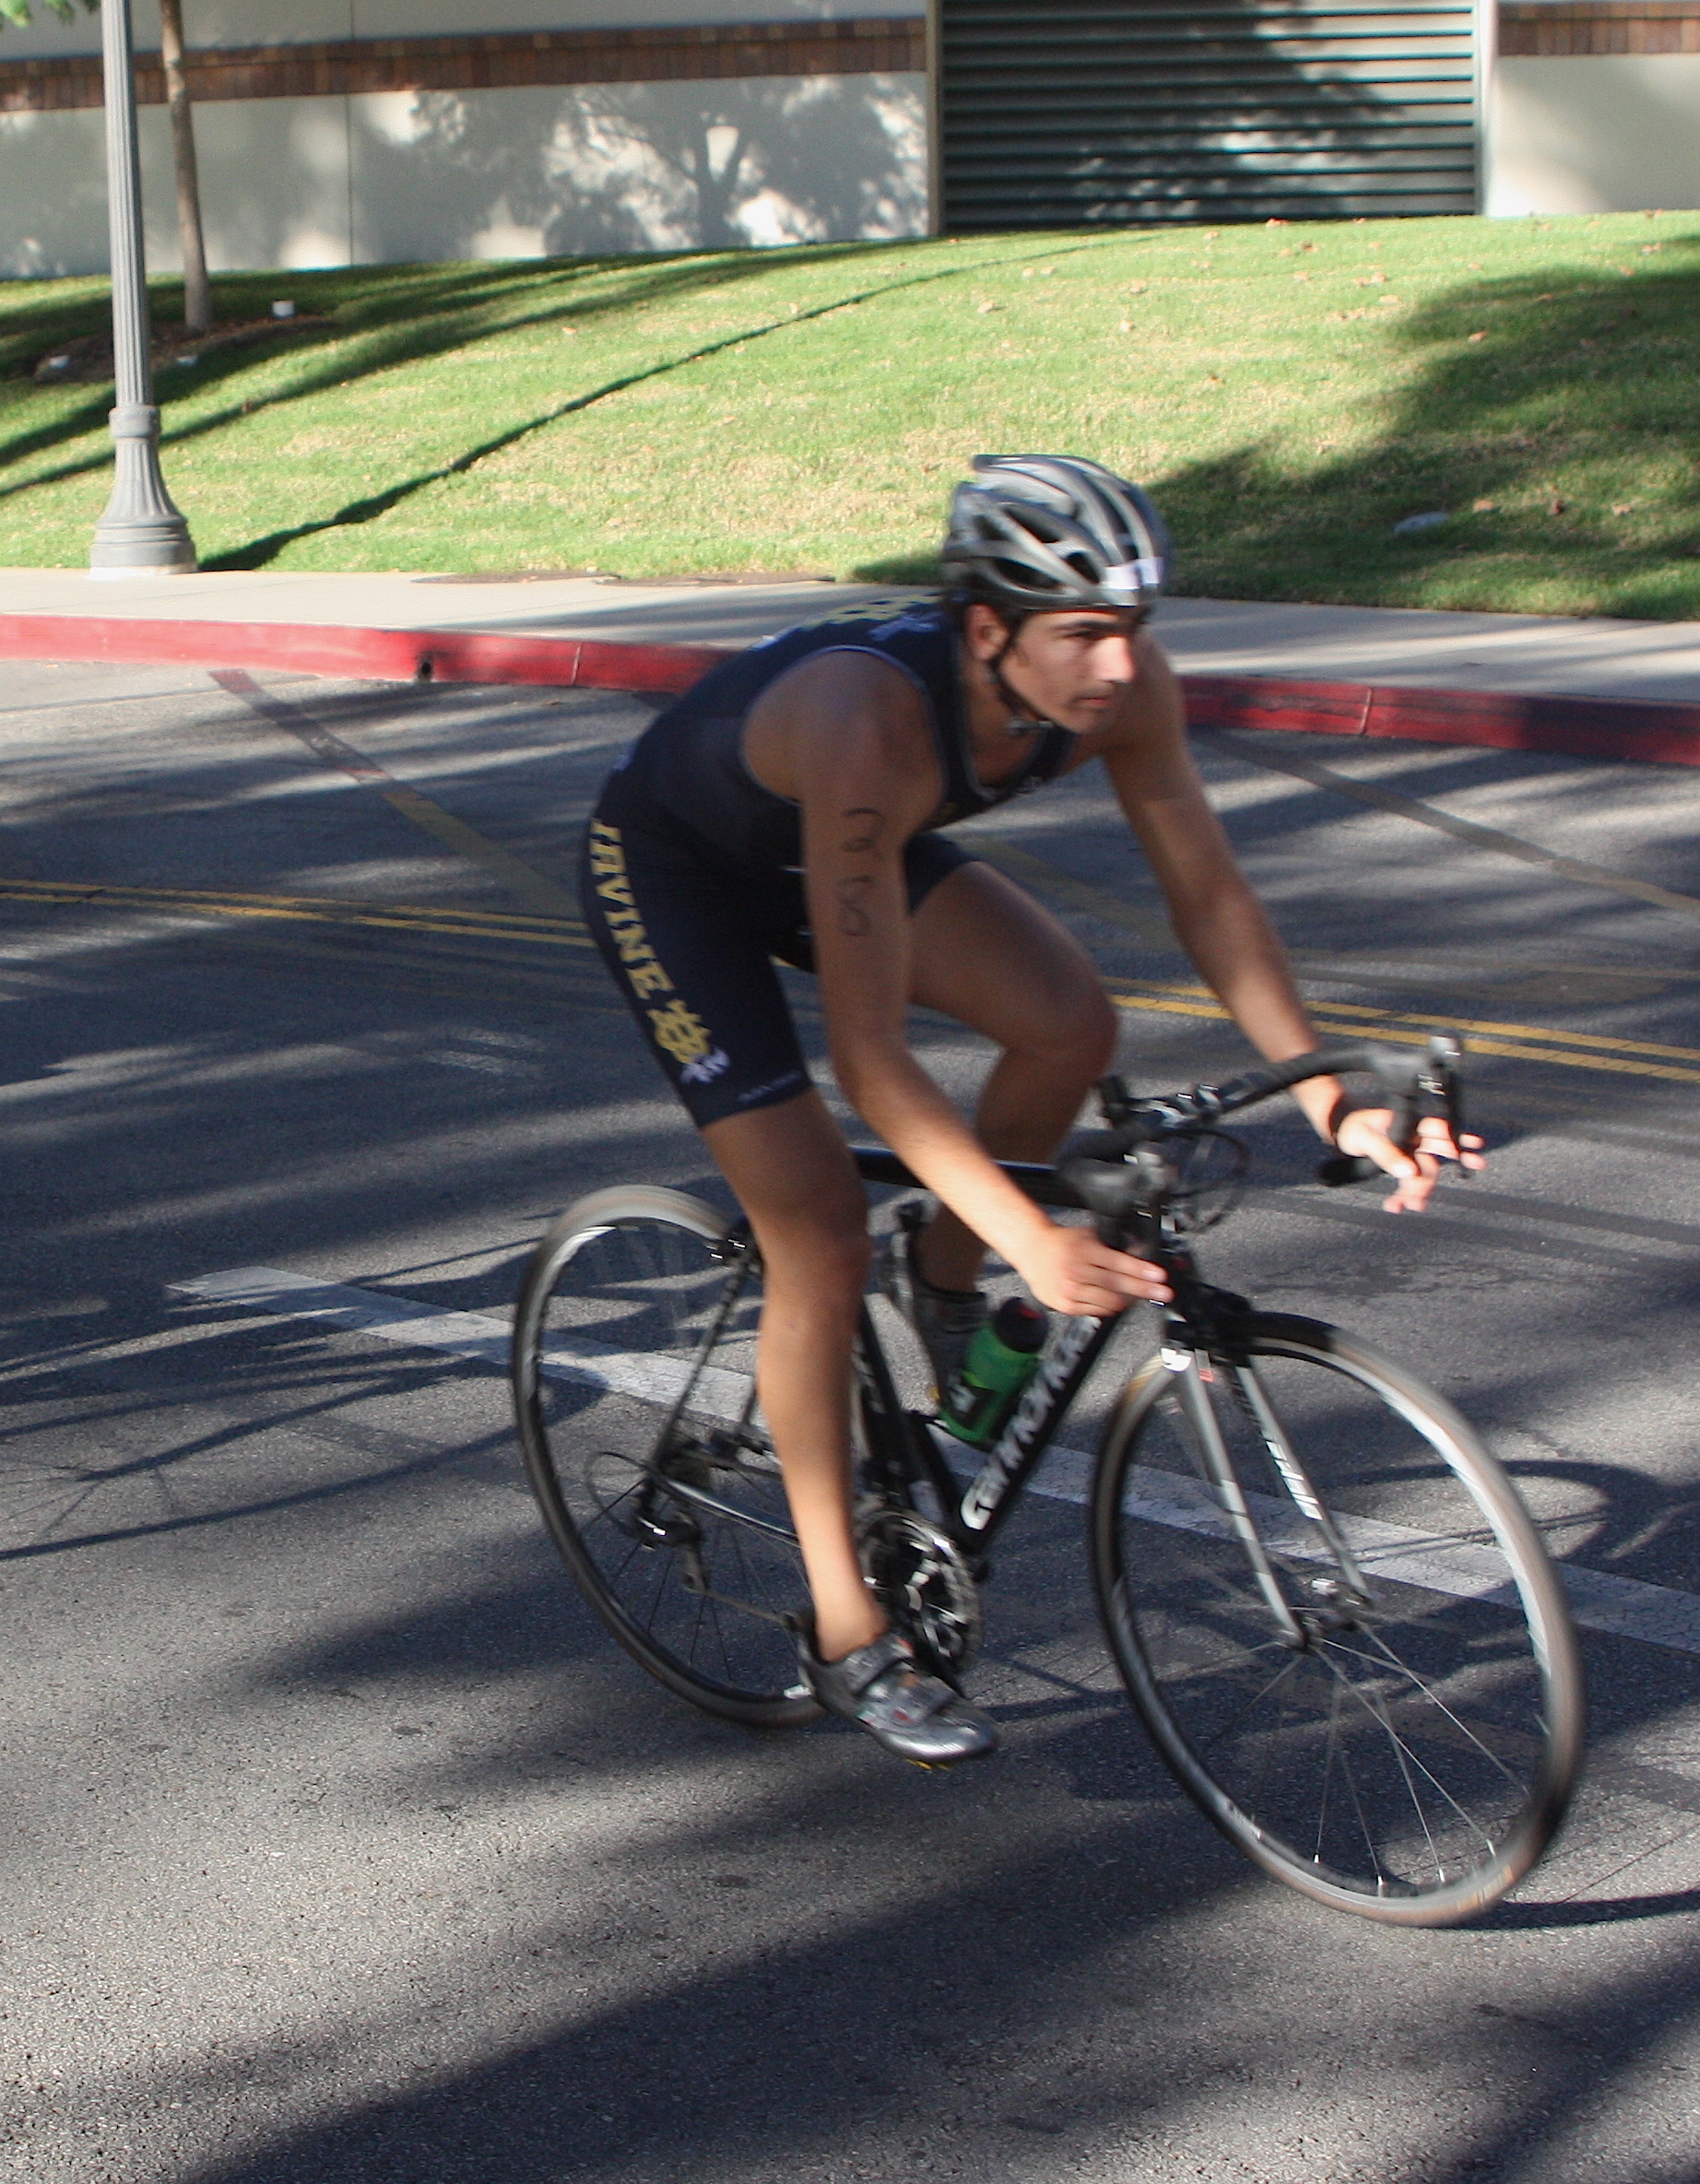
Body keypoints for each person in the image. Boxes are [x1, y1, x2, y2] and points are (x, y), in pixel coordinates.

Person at [579, 453, 1478, 1765]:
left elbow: (1211, 897)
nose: (1120, 667)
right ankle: (847, 1632)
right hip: (683, 874)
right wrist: (1030, 1236)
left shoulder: (1121, 689)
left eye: (1136, 631)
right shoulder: (870, 722)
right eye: (1089, 635)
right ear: (989, 630)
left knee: (1071, 1022)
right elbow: (875, 1060)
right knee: (817, 1226)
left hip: (849, 850)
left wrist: (1333, 1099)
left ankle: (935, 1289)